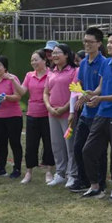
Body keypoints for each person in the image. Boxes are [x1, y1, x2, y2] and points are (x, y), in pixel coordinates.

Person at [83, 32, 112, 199]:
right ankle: (95, 185)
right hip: (102, 113)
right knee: (88, 150)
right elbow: (101, 88)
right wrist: (92, 94)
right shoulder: (106, 63)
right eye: (108, 42)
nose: (108, 45)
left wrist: (100, 98)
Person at [69, 28, 107, 193]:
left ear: (99, 43)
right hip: (85, 113)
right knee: (78, 147)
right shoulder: (83, 63)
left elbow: (102, 86)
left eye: (90, 42)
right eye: (85, 41)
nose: (87, 45)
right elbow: (81, 86)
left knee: (98, 151)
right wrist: (81, 96)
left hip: (99, 112)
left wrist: (89, 96)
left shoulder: (104, 62)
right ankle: (83, 179)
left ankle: (100, 181)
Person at [11, 49, 54, 184]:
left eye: (36, 59)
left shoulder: (51, 74)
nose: (33, 62)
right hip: (32, 114)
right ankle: (29, 173)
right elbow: (22, 91)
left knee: (48, 144)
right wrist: (13, 80)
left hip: (47, 114)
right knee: (31, 145)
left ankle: (49, 172)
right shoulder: (29, 75)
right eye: (32, 60)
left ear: (44, 60)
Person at [43, 44, 78, 187]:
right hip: (52, 114)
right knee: (56, 144)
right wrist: (49, 107)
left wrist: (64, 108)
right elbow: (46, 92)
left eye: (58, 53)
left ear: (67, 55)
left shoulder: (75, 71)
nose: (55, 55)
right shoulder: (51, 72)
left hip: (67, 115)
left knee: (70, 145)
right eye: (54, 53)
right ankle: (60, 173)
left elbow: (75, 93)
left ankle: (72, 174)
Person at [0, 56, 23, 179]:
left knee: (15, 143)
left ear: (5, 67)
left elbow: (18, 96)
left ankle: (17, 168)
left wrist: (6, 97)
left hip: (13, 116)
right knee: (1, 143)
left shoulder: (12, 78)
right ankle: (1, 167)